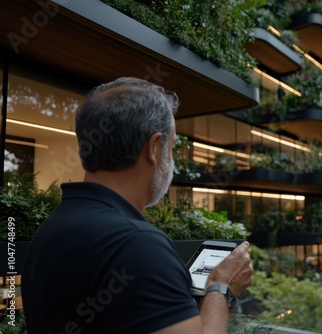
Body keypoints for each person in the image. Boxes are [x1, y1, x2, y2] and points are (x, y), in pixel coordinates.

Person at [21, 77, 253, 333]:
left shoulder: (51, 227)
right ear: (154, 148)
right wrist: (221, 288)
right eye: (173, 147)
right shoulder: (138, 245)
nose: (172, 160)